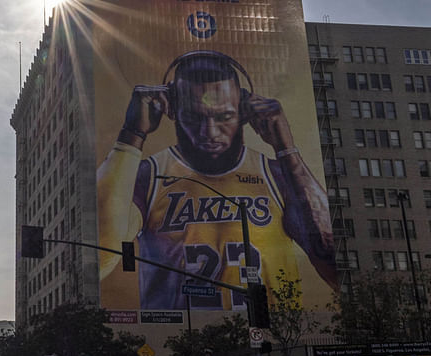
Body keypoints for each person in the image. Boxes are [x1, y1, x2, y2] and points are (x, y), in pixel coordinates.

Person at [97, 50, 336, 311]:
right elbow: (100, 258)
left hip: (275, 337)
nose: (209, 132)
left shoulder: (276, 175)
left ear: (244, 112)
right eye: (194, 117)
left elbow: (332, 264)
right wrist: (132, 135)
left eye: (224, 117)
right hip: (179, 340)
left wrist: (286, 149)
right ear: (173, 110)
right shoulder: (148, 175)